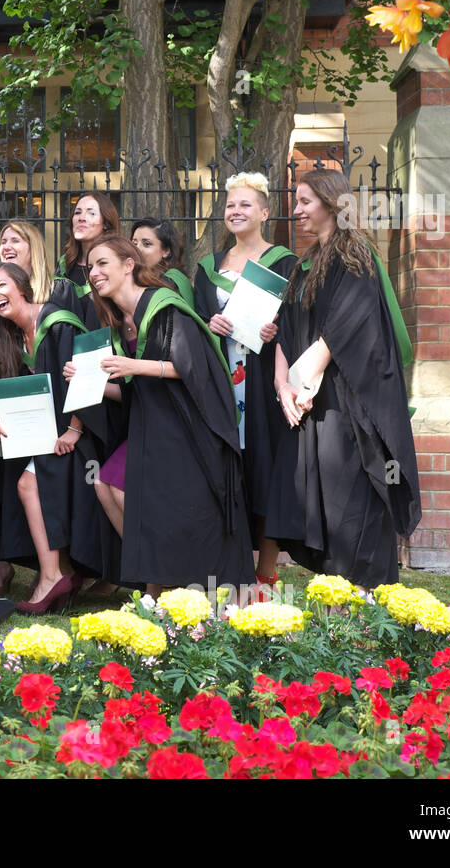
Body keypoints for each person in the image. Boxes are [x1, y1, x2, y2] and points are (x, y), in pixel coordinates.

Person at [265, 168, 421, 589]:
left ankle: (363, 594)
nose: (296, 210)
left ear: (332, 203)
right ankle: (336, 593)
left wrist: (305, 382)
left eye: (304, 202)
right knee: (319, 497)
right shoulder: (304, 264)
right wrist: (283, 387)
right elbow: (284, 329)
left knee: (351, 496)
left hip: (344, 400)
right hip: (308, 399)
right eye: (295, 202)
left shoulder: (355, 256)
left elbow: (346, 325)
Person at [86, 236, 253, 595]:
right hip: (153, 424)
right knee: (108, 484)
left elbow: (193, 367)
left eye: (102, 263)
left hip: (188, 424)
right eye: (90, 267)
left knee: (166, 503)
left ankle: (166, 586)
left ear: (128, 265)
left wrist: (135, 365)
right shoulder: (122, 320)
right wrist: (97, 384)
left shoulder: (165, 308)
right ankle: (156, 577)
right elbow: (134, 386)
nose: (94, 273)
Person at [0, 261, 112, 613]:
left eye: (1, 285)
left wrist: (74, 428)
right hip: (43, 433)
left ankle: (52, 575)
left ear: (21, 286)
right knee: (25, 484)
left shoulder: (57, 322)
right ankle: (60, 572)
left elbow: (83, 374)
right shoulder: (12, 333)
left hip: (75, 433)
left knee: (28, 485)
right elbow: (9, 383)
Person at [192, 173, 298, 591]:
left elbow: (296, 321)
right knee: (226, 468)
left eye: (245, 205)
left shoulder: (284, 263)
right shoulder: (209, 267)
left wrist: (278, 331)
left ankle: (267, 569)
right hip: (222, 380)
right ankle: (232, 566)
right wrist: (208, 321)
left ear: (265, 212)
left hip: (262, 380)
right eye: (230, 205)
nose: (236, 211)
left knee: (264, 467)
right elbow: (194, 322)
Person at [50, 190, 119, 327]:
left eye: (91, 213)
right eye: (77, 212)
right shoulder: (65, 265)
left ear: (105, 223)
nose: (81, 218)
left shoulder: (117, 262)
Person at [131, 217, 194, 306]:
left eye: (146, 244)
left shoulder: (173, 281)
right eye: (134, 243)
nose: (137, 249)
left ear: (166, 251)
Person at [0, 219, 53, 303]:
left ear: (33, 248)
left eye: (15, 241)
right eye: (3, 242)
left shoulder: (57, 290)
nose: (6, 247)